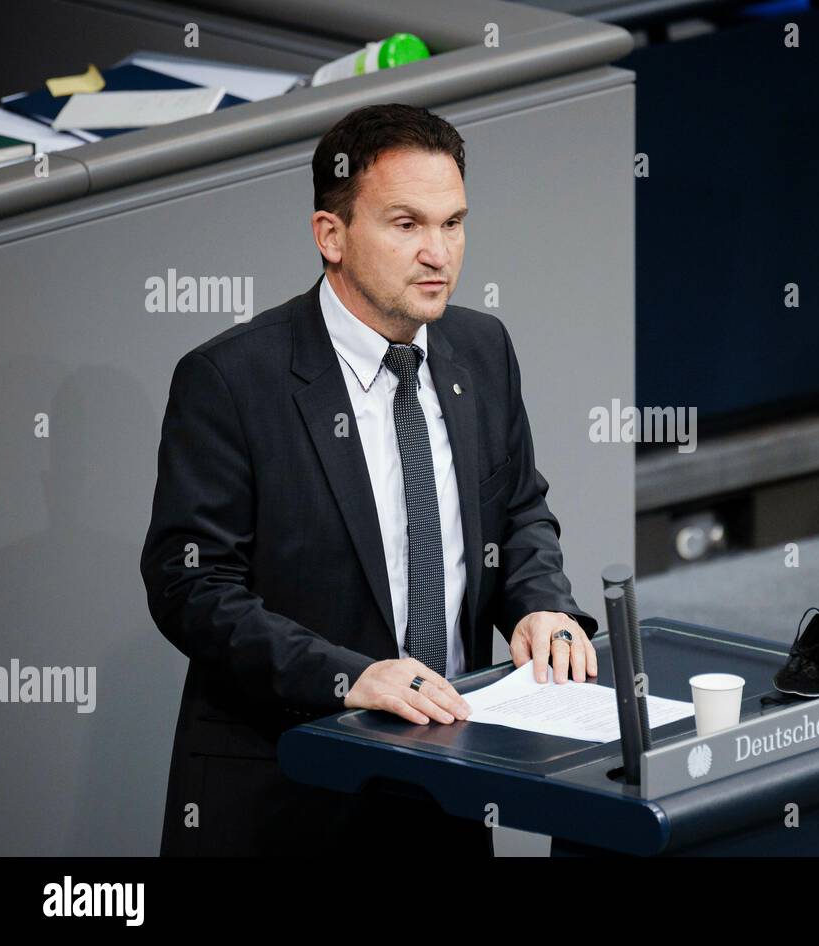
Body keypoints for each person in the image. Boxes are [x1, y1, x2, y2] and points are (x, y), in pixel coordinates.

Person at [140, 103, 598, 856]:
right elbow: (191, 588)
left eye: (453, 224)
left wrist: (541, 608)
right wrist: (350, 677)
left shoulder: (482, 350)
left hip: (447, 782)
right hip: (290, 798)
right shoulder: (231, 380)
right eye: (407, 224)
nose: (438, 254)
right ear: (332, 236)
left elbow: (519, 513)